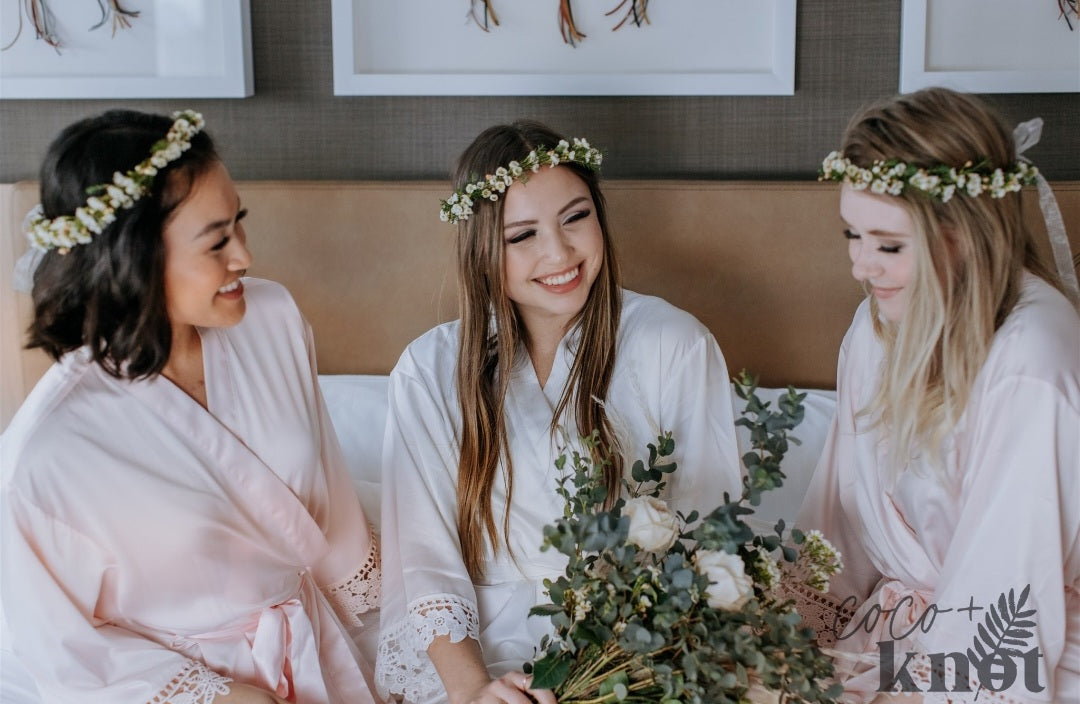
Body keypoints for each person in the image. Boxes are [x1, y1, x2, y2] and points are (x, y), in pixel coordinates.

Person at [0, 109, 382, 704]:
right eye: (216, 241)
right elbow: (63, 652)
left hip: (314, 643)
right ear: (135, 258)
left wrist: (405, 641)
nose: (244, 257)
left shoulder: (273, 319)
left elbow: (332, 514)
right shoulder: (46, 454)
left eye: (239, 225)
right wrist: (231, 696)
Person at [374, 121, 743, 704]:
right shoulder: (428, 369)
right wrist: (474, 690)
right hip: (474, 656)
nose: (559, 253)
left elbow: (706, 535)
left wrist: (629, 671)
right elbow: (426, 558)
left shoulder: (673, 343)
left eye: (576, 217)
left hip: (635, 648)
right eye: (522, 235)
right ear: (481, 250)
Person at [798, 87, 1080, 703]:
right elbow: (836, 529)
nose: (861, 266)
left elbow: (1005, 605)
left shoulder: (1032, 361)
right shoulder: (875, 325)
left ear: (966, 232)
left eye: (888, 245)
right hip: (892, 634)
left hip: (1012, 656)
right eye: (852, 234)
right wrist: (782, 637)